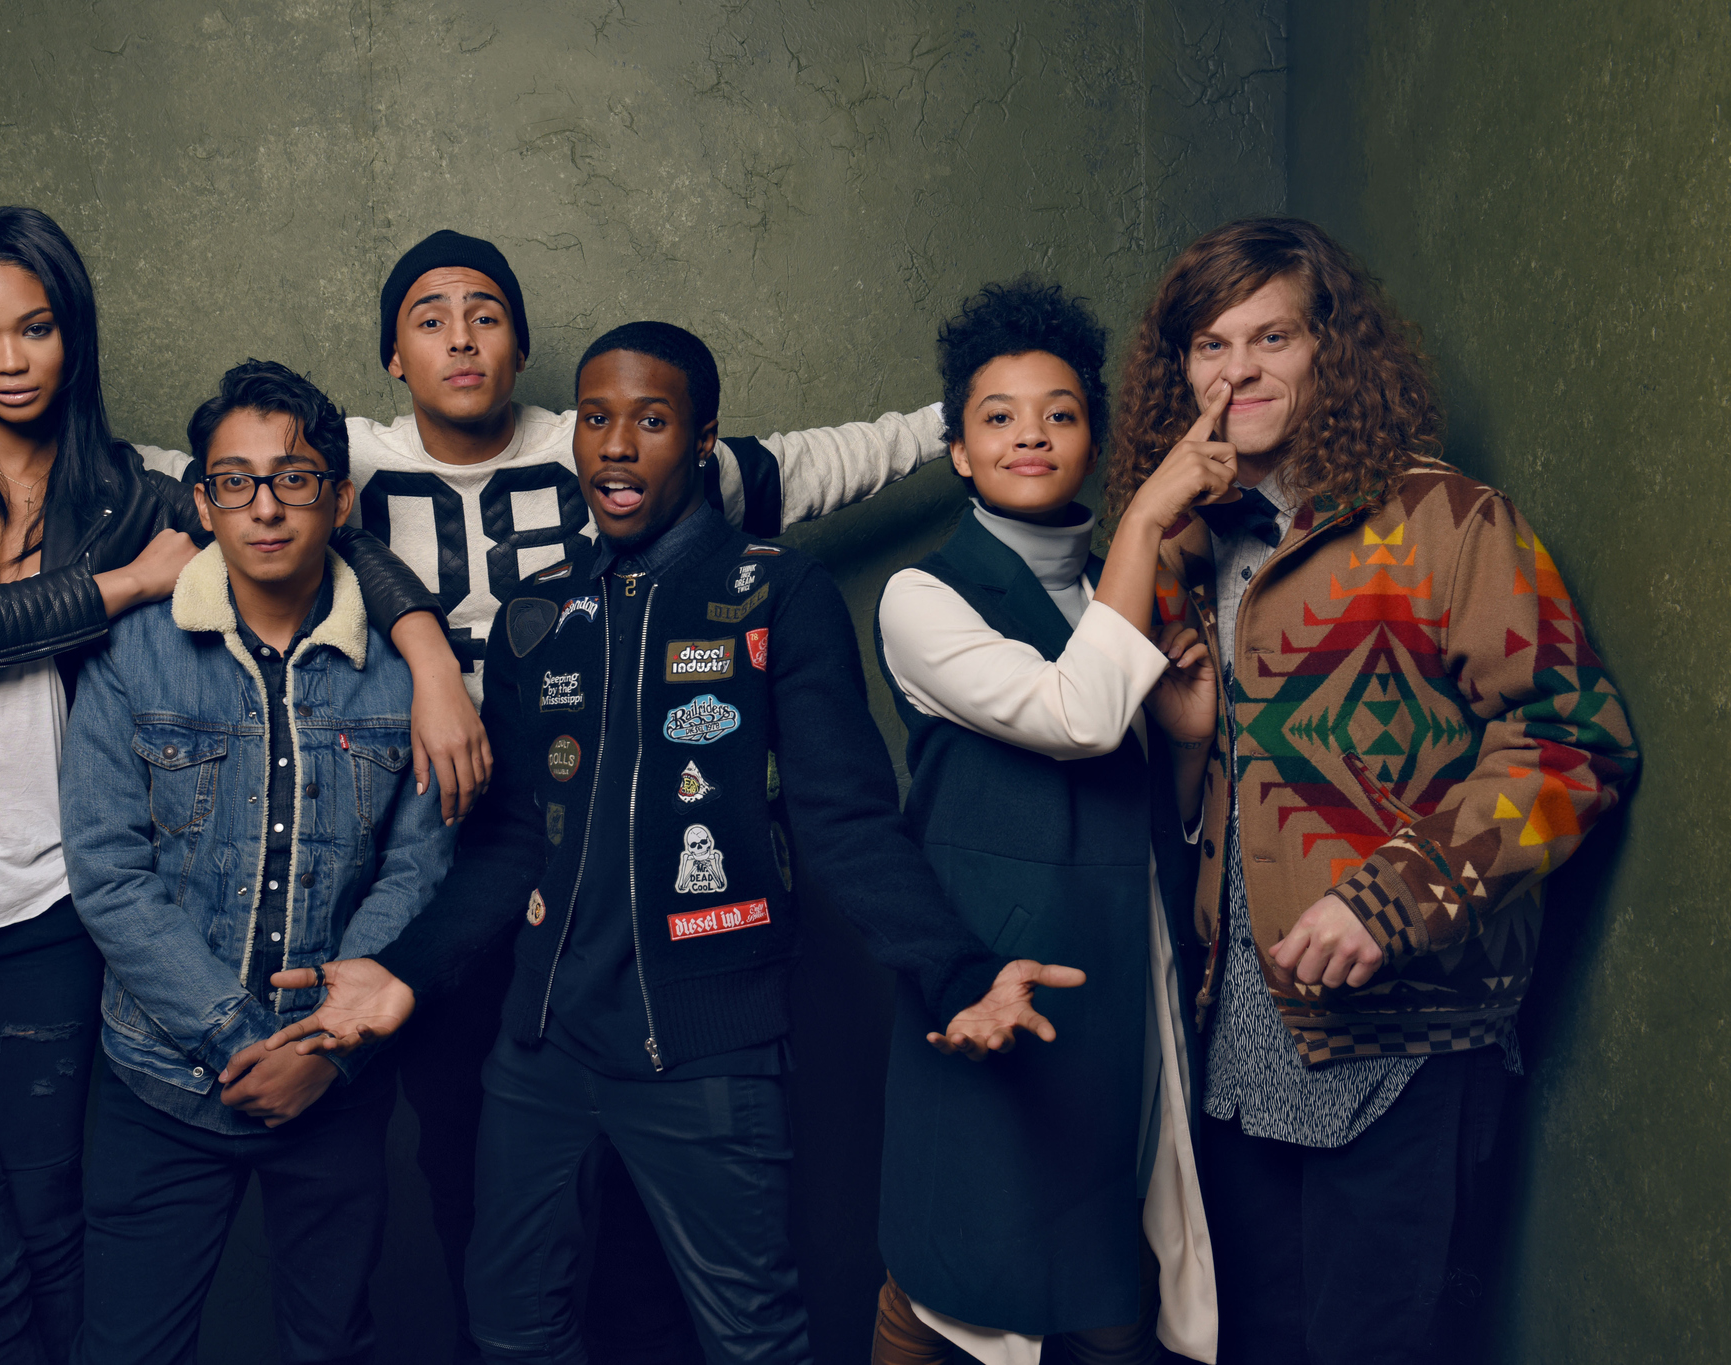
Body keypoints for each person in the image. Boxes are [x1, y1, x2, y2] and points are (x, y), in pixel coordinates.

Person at [0, 228, 958, 1363]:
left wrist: (959, 417)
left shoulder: (617, 435)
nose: (460, 338)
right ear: (392, 355)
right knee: (483, 1213)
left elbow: (819, 466)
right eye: (428, 318)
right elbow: (210, 480)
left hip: (549, 883)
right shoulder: (349, 470)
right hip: (469, 883)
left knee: (639, 1251)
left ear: (522, 342)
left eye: (484, 313)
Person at [260, 320, 1088, 1364]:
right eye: (596, 418)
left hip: (707, 1054)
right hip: (541, 1053)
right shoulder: (536, 616)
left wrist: (957, 971)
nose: (615, 444)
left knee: (749, 1341)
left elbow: (846, 822)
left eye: (649, 420)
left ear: (701, 441)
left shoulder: (775, 595)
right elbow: (512, 841)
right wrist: (400, 976)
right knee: (512, 1327)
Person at [0, 206, 441, 1365]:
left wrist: (423, 645)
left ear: (75, 332)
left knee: (52, 1240)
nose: (10, 363)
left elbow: (293, 516)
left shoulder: (121, 487)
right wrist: (119, 588)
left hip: (42, 909)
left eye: (36, 329)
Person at [1105, 218, 1638, 1364]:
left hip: (1403, 1037)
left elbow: (1572, 739)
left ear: (1329, 350)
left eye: (1271, 337)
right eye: (1207, 345)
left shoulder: (1449, 523)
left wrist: (1389, 898)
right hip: (1235, 1038)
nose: (1235, 370)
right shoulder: (1189, 551)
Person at [59, 359, 457, 1363]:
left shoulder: (405, 673)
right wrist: (242, 1041)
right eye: (234, 481)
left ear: (338, 498)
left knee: (332, 1344)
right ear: (202, 501)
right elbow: (107, 870)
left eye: (293, 478)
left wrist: (321, 1048)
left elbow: (416, 869)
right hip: (158, 1084)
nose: (265, 507)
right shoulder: (130, 654)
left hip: (337, 1095)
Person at [868, 277, 1225, 1365]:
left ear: (1091, 436)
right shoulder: (918, 600)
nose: (1031, 434)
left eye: (1060, 412)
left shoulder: (1131, 589)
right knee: (953, 1271)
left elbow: (1150, 811)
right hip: (985, 969)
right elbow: (1073, 716)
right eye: (998, 416)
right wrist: (1155, 512)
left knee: (1106, 1274)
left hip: (1119, 969)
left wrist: (1190, 737)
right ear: (960, 453)